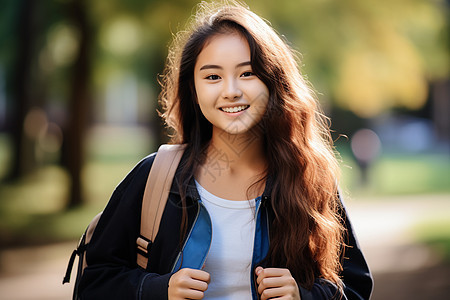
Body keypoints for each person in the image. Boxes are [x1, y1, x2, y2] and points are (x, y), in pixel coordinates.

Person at [78, 1, 373, 299]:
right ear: (192, 89)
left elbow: (355, 288)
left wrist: (304, 295)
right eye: (212, 77)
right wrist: (158, 289)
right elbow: (95, 282)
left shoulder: (309, 178)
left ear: (273, 82)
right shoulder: (154, 178)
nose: (231, 90)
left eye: (247, 73)